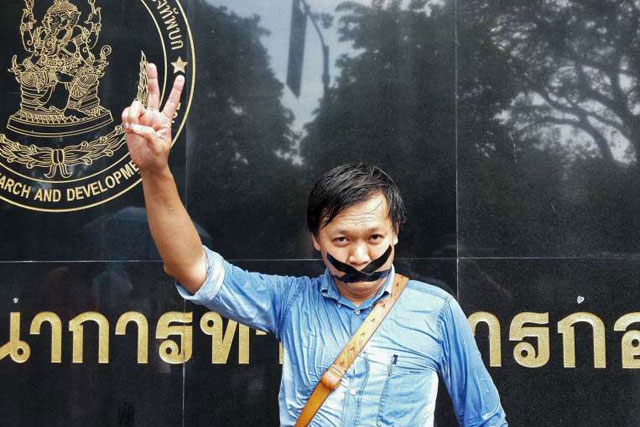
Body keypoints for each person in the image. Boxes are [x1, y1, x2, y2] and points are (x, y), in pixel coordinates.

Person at [121, 65, 507, 426]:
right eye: (341, 239)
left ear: (395, 232)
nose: (359, 257)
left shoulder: (437, 311)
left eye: (374, 238)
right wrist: (156, 171)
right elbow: (191, 267)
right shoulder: (291, 301)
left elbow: (486, 419)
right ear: (316, 240)